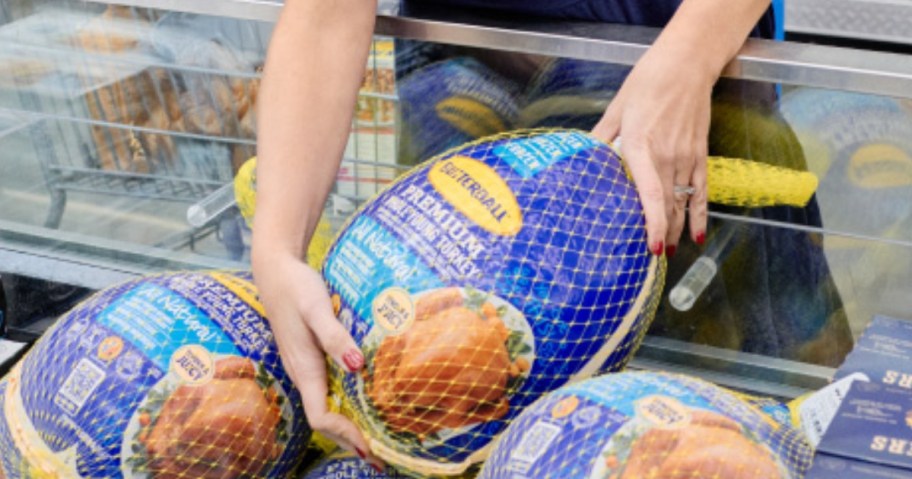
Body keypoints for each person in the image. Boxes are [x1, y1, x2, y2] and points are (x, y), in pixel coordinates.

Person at [252, 0, 777, 464]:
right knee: (438, 391)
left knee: (720, 400)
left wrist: (688, 58)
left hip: (676, 97)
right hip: (461, 100)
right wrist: (276, 248)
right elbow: (326, 15)